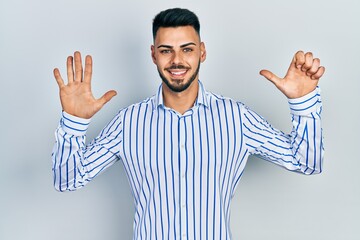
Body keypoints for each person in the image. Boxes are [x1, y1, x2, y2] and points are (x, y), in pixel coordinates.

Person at [52, 8, 325, 240]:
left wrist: (302, 102)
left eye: (187, 49)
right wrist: (74, 121)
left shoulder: (236, 119)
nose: (177, 60)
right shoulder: (129, 122)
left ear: (202, 52)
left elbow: (306, 162)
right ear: (153, 55)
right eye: (166, 50)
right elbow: (68, 180)